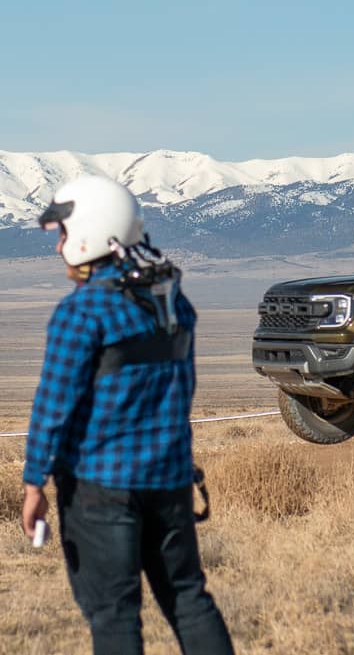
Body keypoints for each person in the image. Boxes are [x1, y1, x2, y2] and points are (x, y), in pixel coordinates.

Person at [20, 174, 235, 655]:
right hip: (170, 480)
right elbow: (185, 389)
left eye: (61, 234)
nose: (58, 248)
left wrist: (34, 483)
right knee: (188, 600)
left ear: (87, 233)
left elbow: (53, 407)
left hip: (102, 489)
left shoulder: (83, 311)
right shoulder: (172, 302)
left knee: (114, 616)